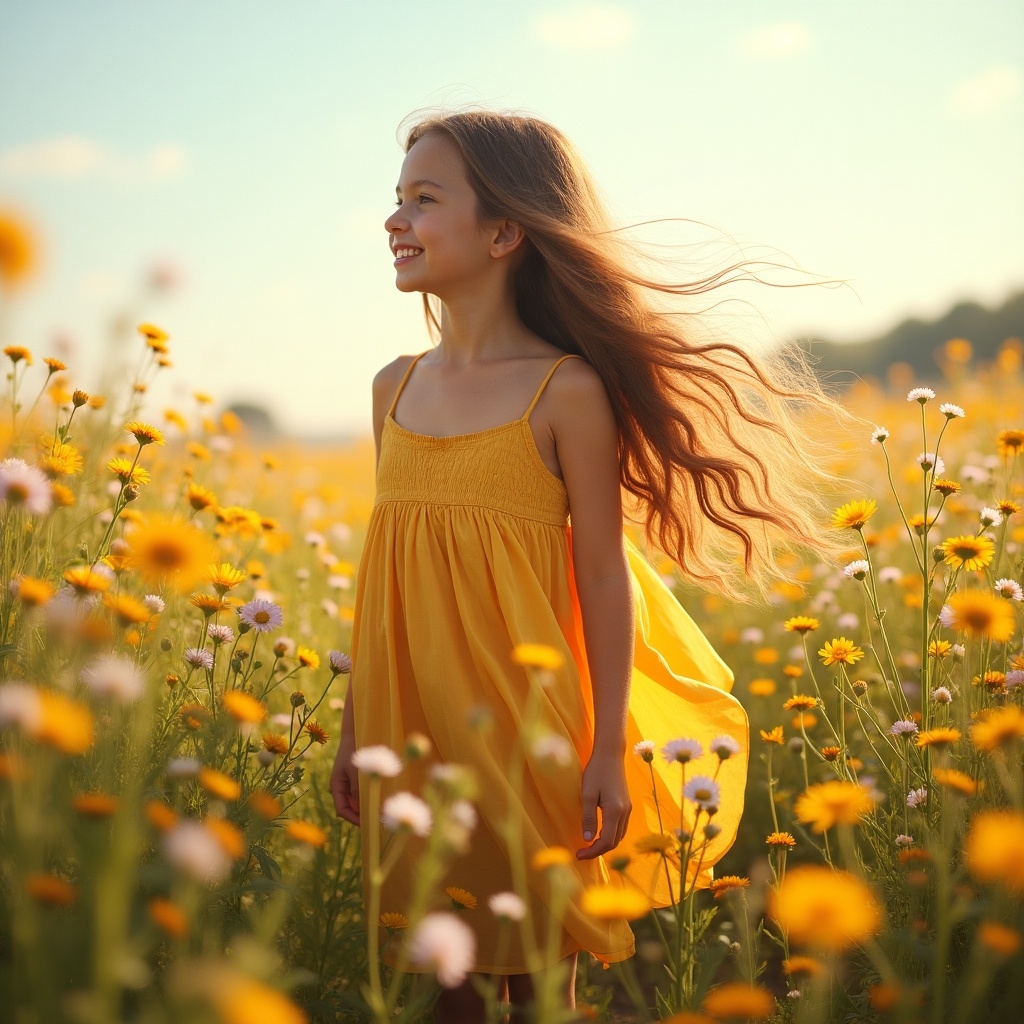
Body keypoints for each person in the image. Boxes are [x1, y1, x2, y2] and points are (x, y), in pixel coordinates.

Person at [331, 110, 836, 1021]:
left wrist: (605, 748)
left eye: (423, 198)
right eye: (395, 199)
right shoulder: (392, 387)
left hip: (533, 729)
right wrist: (353, 724)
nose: (393, 220)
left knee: (532, 974)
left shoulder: (565, 390)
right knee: (446, 978)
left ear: (503, 231)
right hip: (418, 724)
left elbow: (602, 578)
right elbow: (384, 572)